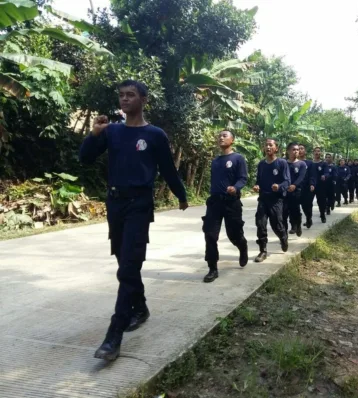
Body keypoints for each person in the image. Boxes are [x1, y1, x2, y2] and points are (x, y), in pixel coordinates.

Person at [79, 80, 188, 362]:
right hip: (115, 203)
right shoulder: (112, 131)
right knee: (123, 261)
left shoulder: (155, 135)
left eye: (131, 95)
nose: (125, 99)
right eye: (121, 95)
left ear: (143, 100)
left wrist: (181, 195)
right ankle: (140, 307)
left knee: (129, 266)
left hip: (140, 204)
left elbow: (167, 169)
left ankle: (113, 336)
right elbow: (85, 159)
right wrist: (93, 134)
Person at [201, 130, 249, 283]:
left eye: (225, 136)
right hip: (214, 202)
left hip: (231, 202)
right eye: (219, 136)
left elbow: (243, 178)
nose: (221, 138)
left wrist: (235, 187)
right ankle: (212, 268)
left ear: (232, 140)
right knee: (210, 234)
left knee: (233, 234)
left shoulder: (238, 158)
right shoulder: (215, 161)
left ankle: (242, 246)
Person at [253, 139, 290, 263]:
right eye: (266, 145)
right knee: (260, 224)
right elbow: (258, 180)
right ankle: (262, 250)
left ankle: (283, 237)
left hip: (276, 200)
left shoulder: (282, 163)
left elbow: (287, 181)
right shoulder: (261, 164)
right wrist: (256, 186)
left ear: (276, 148)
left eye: (271, 145)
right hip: (263, 199)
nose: (268, 147)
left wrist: (279, 187)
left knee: (277, 226)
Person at [284, 142, 307, 236]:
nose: (296, 151)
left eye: (297, 150)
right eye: (293, 150)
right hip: (285, 190)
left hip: (296, 191)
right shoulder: (283, 162)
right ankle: (292, 226)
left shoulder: (302, 164)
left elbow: (301, 177)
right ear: (288, 151)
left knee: (296, 209)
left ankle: (298, 225)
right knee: (286, 210)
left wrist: (294, 185)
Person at [298, 145, 317, 229]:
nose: (300, 150)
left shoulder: (310, 163)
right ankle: (295, 225)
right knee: (294, 206)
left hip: (307, 188)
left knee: (306, 206)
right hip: (296, 188)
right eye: (298, 149)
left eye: (302, 149)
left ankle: (309, 219)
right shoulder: (292, 162)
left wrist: (312, 184)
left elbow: (312, 175)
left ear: (305, 151)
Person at [312, 147, 328, 223]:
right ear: (313, 152)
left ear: (320, 153)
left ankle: (322, 215)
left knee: (321, 201)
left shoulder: (324, 163)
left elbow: (326, 172)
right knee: (308, 202)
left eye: (318, 151)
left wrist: (324, 175)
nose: (317, 153)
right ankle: (309, 218)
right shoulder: (310, 163)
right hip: (311, 186)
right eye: (316, 151)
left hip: (321, 186)